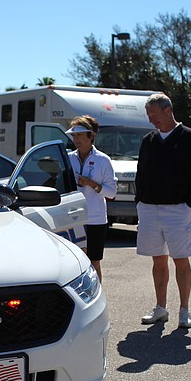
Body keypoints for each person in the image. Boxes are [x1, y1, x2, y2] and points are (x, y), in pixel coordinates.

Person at [134, 93, 191, 329]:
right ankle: (160, 308)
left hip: (178, 209)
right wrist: (140, 200)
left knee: (181, 260)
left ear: (168, 110)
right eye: (149, 117)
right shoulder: (148, 140)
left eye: (154, 115)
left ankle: (184, 310)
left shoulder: (190, 138)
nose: (151, 120)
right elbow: (140, 173)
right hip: (149, 208)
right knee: (158, 260)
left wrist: (190, 203)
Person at [66, 115, 117, 282]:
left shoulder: (103, 160)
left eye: (80, 135)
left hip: (95, 220)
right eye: (74, 135)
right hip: (72, 218)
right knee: (72, 262)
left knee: (94, 261)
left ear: (91, 135)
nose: (76, 139)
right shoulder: (68, 158)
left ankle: (97, 299)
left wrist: (91, 184)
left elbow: (111, 192)